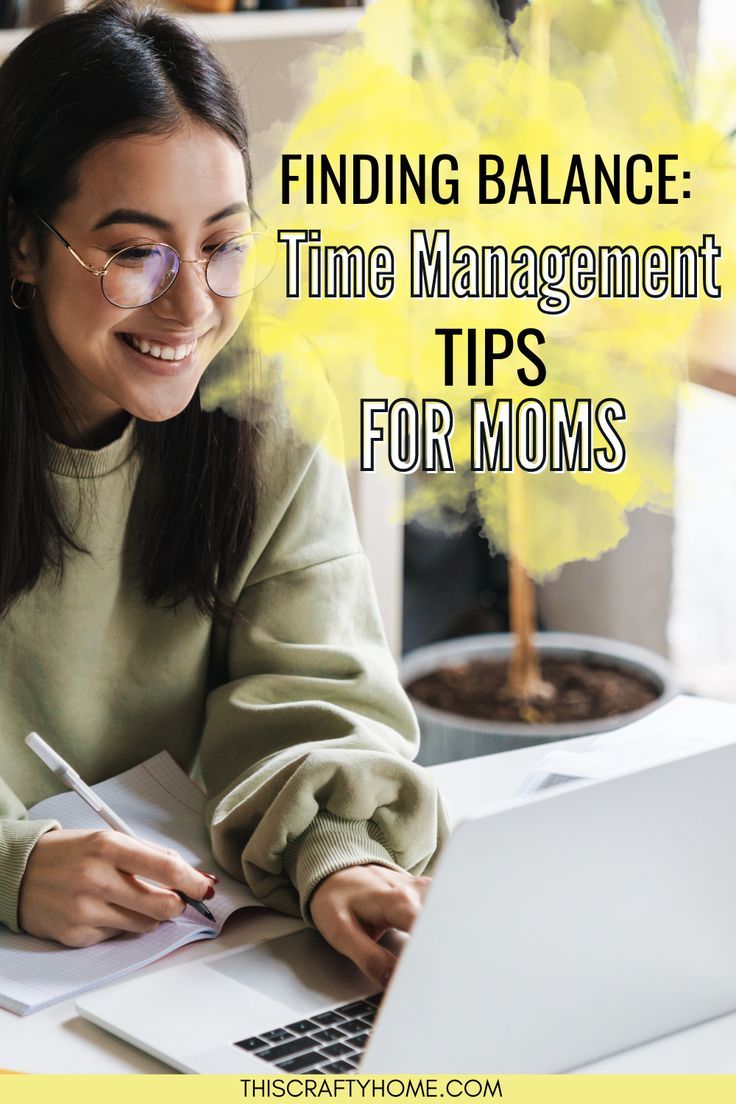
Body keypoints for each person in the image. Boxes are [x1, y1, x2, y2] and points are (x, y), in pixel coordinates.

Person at [0, 0, 448, 990]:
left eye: (222, 243)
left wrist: (343, 856)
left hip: (181, 951)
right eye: (134, 251)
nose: (193, 305)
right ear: (23, 247)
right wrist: (11, 866)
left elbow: (315, 687)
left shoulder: (261, 403)